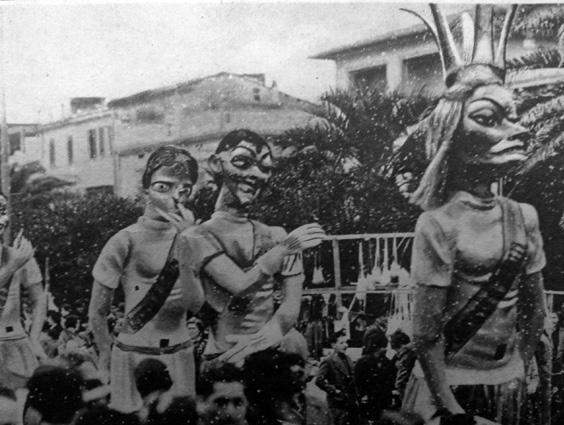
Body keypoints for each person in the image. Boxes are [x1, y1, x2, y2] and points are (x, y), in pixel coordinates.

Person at [397, 5, 547, 425]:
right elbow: (425, 335)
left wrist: (519, 366)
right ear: (451, 132)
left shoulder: (524, 216)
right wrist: (452, 409)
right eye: (488, 119)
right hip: (450, 389)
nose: (515, 130)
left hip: (508, 382)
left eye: (512, 118)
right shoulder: (436, 222)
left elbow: (534, 311)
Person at [174, 129, 325, 366]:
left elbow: (291, 305)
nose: (255, 174)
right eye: (243, 162)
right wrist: (284, 249)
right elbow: (238, 285)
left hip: (267, 354)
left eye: (265, 168)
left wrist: (264, 339)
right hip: (222, 359)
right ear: (216, 163)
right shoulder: (195, 236)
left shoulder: (275, 234)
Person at [88, 145, 205, 413]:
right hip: (133, 354)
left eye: (184, 190)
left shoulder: (194, 236)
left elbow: (196, 304)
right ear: (146, 189)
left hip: (180, 352)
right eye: (163, 187)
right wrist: (105, 354)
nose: (175, 197)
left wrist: (188, 246)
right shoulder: (124, 239)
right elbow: (98, 310)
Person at [0, 191, 46, 392]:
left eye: (2, 210)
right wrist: (12, 267)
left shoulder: (21, 256)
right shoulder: (18, 259)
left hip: (16, 342)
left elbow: (39, 299)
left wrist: (35, 337)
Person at [315, 331, 359, 425]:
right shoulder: (329, 361)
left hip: (350, 402)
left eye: (346, 342)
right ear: (333, 345)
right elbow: (319, 380)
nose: (345, 345)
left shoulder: (348, 359)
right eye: (341, 343)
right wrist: (334, 390)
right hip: (337, 404)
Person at [355, 328, 396, 424]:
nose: (386, 349)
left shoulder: (388, 363)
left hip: (384, 401)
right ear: (376, 348)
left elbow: (391, 380)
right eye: (383, 347)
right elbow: (357, 382)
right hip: (368, 401)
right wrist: (362, 395)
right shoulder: (363, 362)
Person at [388, 329, 416, 407]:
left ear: (402, 345)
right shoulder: (413, 353)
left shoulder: (406, 357)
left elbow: (401, 381)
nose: (397, 354)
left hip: (407, 394)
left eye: (397, 350)